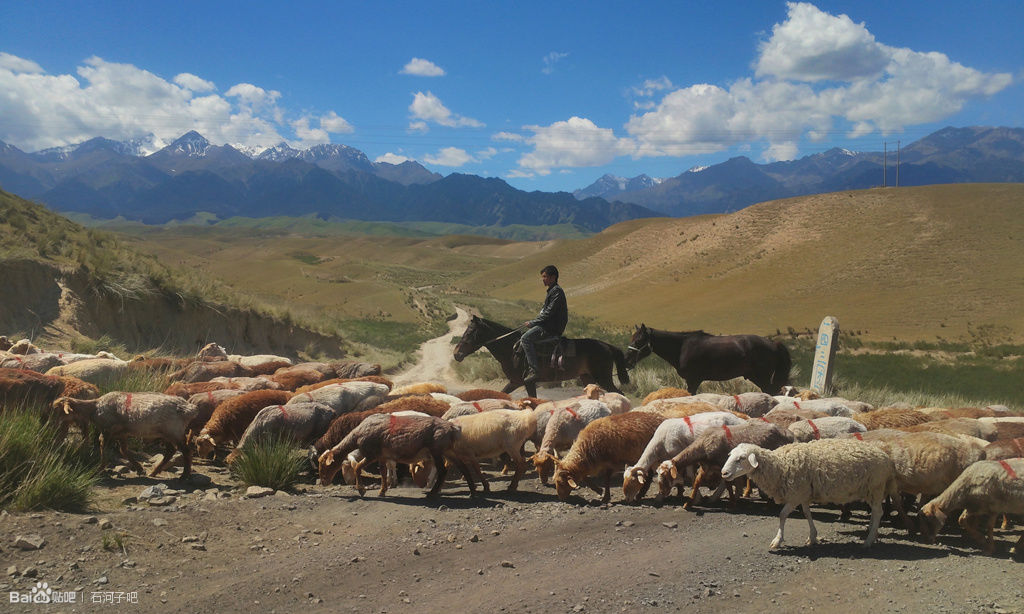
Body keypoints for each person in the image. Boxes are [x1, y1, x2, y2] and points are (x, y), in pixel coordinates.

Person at [520, 265, 568, 383]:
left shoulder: (556, 291)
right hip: (548, 324)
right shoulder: (552, 290)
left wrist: (532, 323)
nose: (543, 279)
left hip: (551, 327)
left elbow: (549, 313)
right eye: (543, 277)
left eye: (545, 277)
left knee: (525, 339)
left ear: (553, 277)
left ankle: (534, 370)